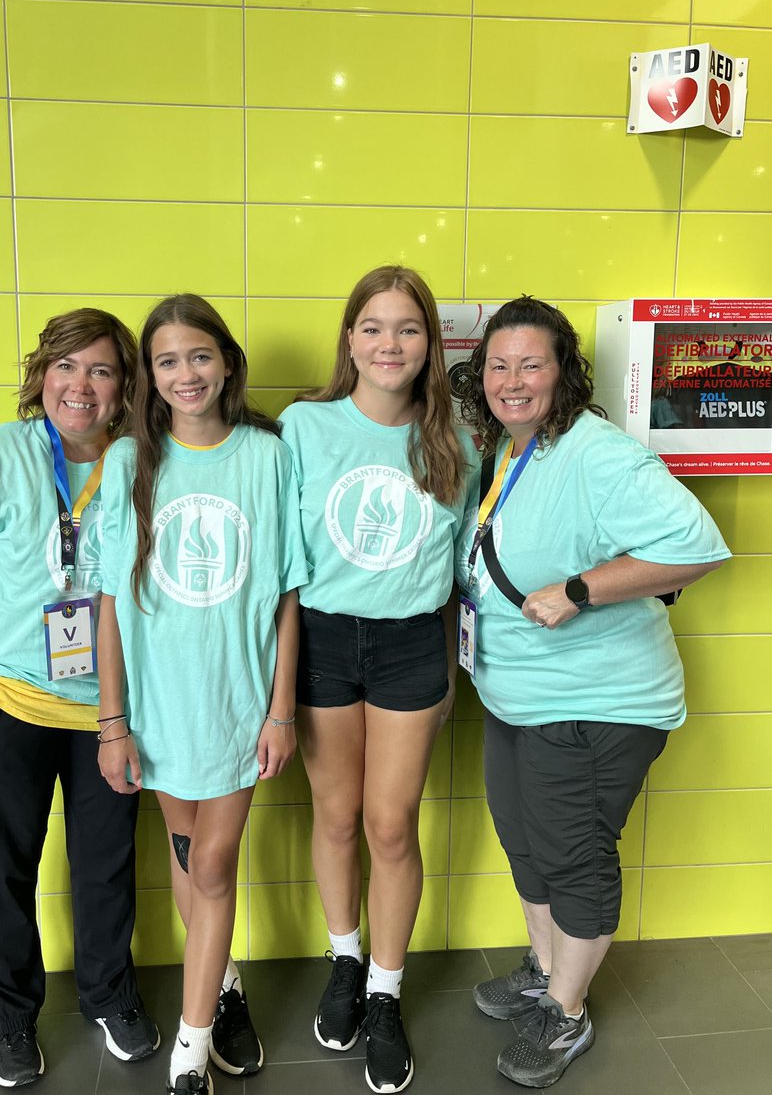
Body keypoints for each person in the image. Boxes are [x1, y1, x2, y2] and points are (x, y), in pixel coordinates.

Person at [456, 296, 730, 1088]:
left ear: (564, 372)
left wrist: (579, 590)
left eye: (530, 364)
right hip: (520, 699)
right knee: (527, 843)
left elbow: (698, 545)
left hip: (594, 704)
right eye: (499, 365)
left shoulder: (595, 450)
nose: (513, 380)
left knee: (573, 859)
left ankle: (567, 1015)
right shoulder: (517, 448)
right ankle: (547, 974)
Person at [0, 309, 159, 1088]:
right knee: (6, 871)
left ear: (123, 391)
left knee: (106, 868)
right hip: (9, 706)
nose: (79, 386)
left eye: (101, 370)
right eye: (65, 367)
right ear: (41, 376)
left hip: (109, 714)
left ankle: (111, 999)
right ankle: (11, 1019)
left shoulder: (143, 465)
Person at [96, 295, 308, 1095]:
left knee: (213, 863)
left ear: (226, 362)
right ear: (150, 376)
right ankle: (222, 987)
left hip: (236, 702)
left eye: (199, 356)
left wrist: (281, 710)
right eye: (166, 361)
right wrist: (113, 723)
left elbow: (287, 595)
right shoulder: (130, 461)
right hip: (158, 707)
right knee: (189, 858)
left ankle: (190, 1054)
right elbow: (113, 602)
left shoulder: (267, 453)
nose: (186, 374)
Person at [278, 265, 478, 1094]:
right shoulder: (303, 426)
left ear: (429, 343)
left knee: (391, 826)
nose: (388, 343)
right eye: (373, 327)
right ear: (349, 340)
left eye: (407, 328)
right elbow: (284, 563)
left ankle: (386, 992)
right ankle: (345, 958)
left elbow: (467, 562)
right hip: (322, 639)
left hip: (409, 646)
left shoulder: (455, 436)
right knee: (335, 814)